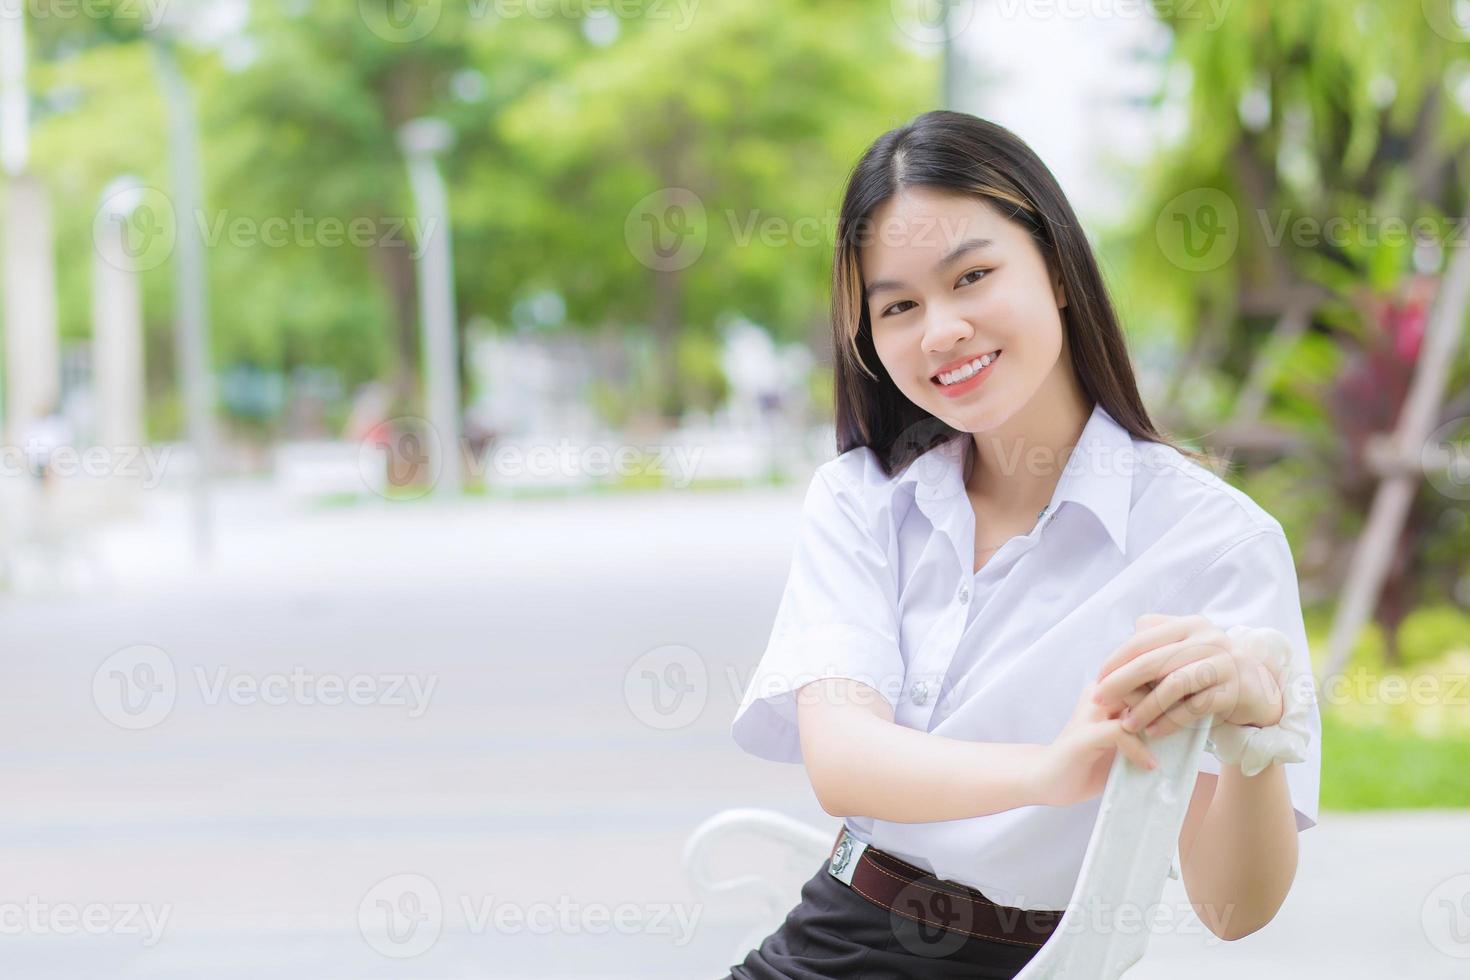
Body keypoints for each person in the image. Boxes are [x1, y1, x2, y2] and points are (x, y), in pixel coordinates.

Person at [724, 111, 1321, 979]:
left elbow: (1233, 909)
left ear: (1059, 270)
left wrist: (1258, 727)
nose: (941, 330)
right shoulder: (862, 501)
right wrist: (1048, 770)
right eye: (898, 306)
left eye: (971, 276)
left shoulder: (1212, 543)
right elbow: (845, 760)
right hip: (833, 943)